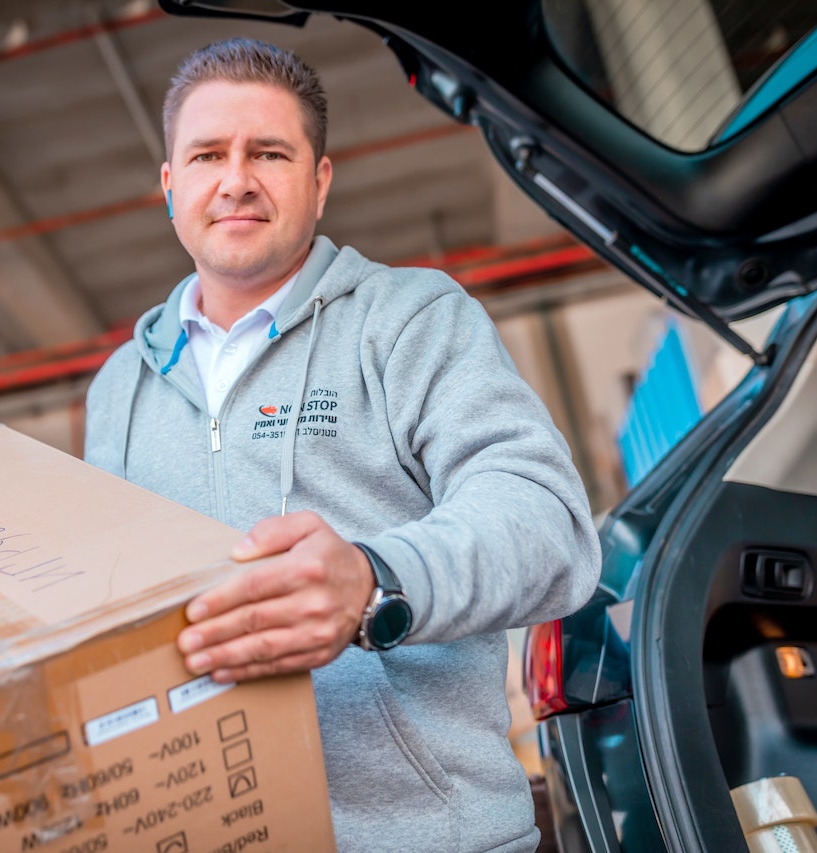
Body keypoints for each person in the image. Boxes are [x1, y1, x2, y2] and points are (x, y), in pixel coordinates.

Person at [84, 37, 601, 853]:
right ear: (171, 185)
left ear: (319, 183)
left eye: (271, 153)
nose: (237, 178)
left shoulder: (408, 319)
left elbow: (548, 526)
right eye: (209, 154)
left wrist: (375, 579)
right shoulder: (118, 387)